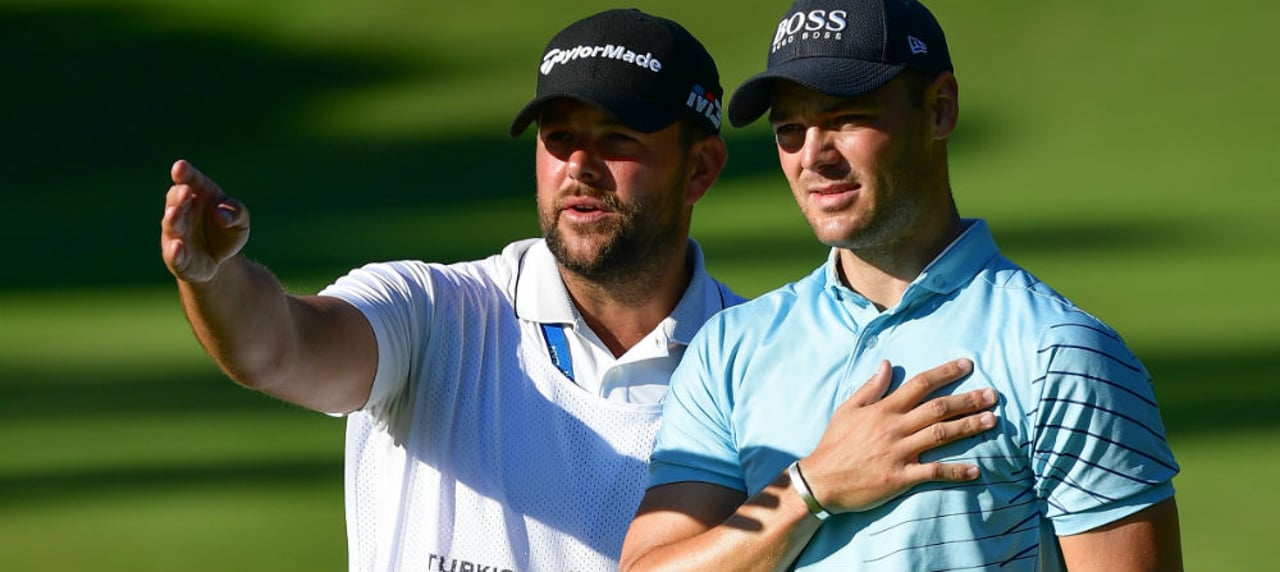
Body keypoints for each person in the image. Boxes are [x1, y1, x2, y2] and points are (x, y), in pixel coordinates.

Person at [160, 8, 999, 572]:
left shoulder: (766, 359)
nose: (578, 168)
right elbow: (277, 345)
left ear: (701, 166)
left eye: (617, 139)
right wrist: (215, 277)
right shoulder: (436, 313)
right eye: (559, 138)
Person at [620, 0, 1183, 571]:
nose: (814, 157)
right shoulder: (730, 347)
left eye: (845, 118)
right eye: (791, 129)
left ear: (940, 109)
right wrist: (810, 489)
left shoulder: (1059, 351)